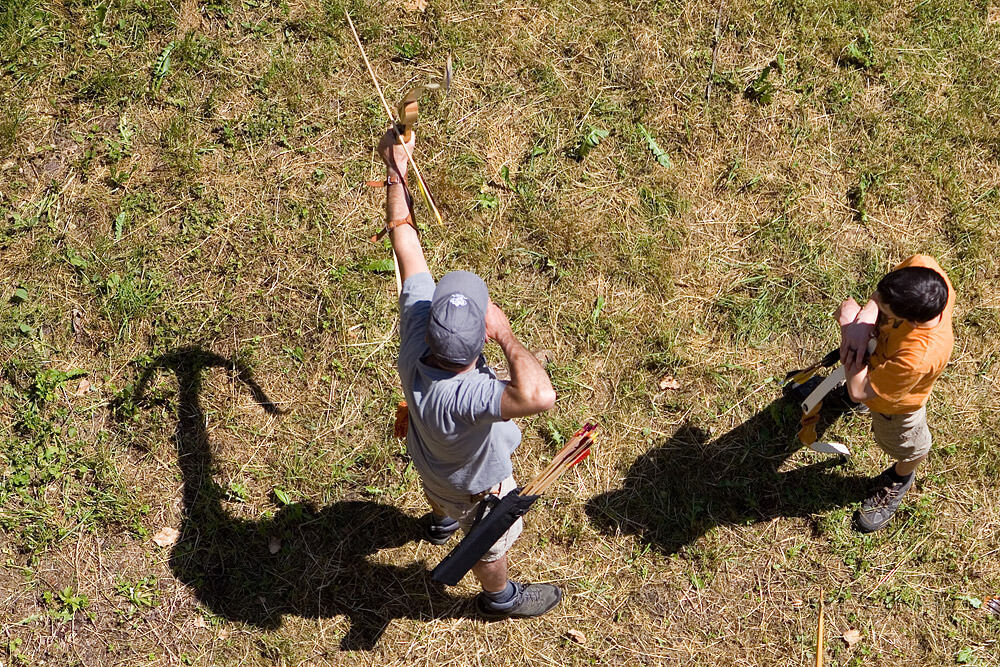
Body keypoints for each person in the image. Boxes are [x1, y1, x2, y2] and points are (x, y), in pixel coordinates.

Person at [375, 127, 561, 619]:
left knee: (440, 497)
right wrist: (504, 334)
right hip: (475, 487)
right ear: (477, 344)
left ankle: (439, 523)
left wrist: (396, 166)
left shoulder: (417, 328)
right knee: (489, 544)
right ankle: (500, 598)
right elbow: (541, 395)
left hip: (428, 459)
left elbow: (403, 235)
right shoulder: (472, 395)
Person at [835, 255, 954, 532]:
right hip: (880, 367)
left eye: (887, 313)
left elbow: (858, 390)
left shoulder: (919, 356)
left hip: (895, 406)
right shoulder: (925, 271)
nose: (879, 308)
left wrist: (849, 335)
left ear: (910, 321)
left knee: (912, 447)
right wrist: (865, 318)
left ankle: (900, 478)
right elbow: (878, 297)